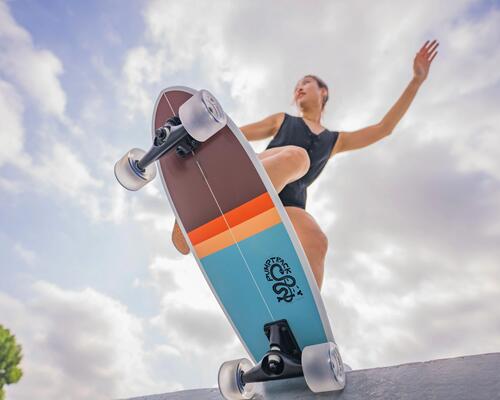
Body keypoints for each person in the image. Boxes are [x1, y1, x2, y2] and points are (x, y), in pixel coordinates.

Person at [172, 39, 439, 290]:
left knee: (316, 241)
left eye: (307, 82)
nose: (299, 87)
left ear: (323, 93)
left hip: (289, 203)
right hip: (260, 172)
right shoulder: (283, 120)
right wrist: (195, 134)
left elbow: (384, 128)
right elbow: (235, 133)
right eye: (297, 85)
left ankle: (301, 327)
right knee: (296, 158)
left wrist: (416, 81)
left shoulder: (336, 140)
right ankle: (216, 205)